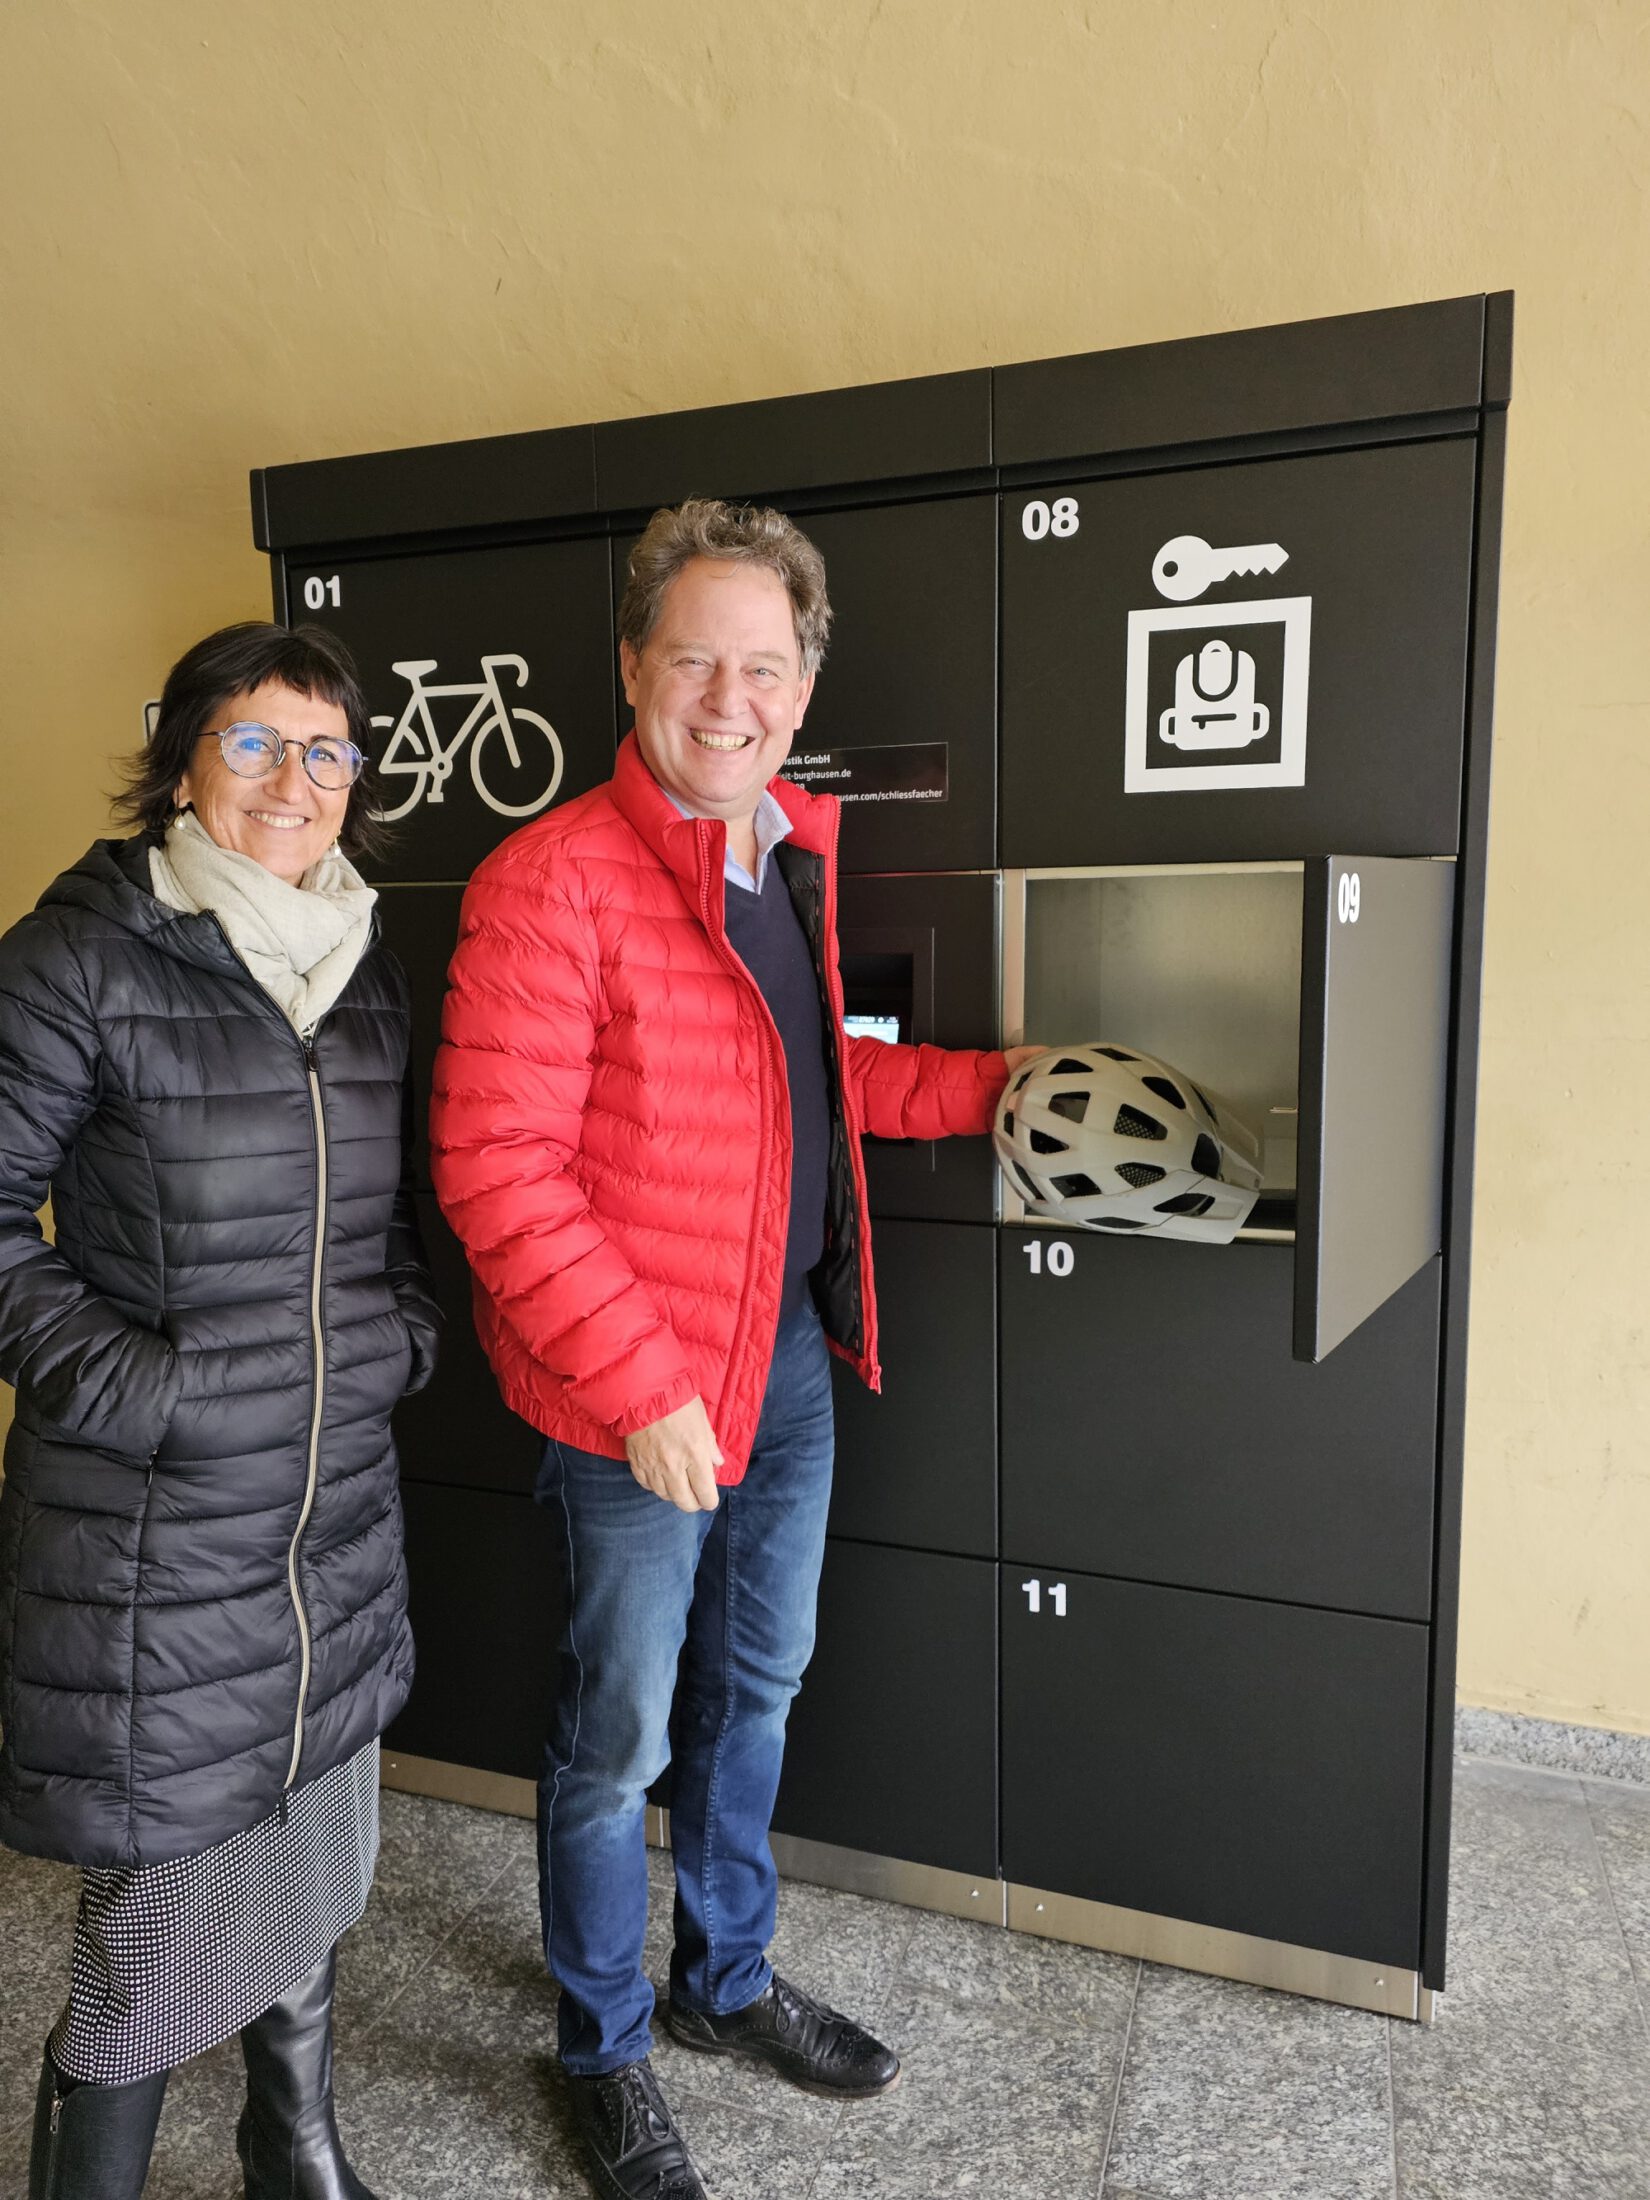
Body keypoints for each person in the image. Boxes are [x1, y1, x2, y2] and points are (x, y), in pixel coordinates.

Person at [430, 500, 1038, 2200]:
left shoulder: (783, 856)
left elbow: (822, 1093)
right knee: (614, 1738)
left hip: (780, 1370)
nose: (727, 694)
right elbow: (496, 1168)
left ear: (802, 680)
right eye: (692, 657)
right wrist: (638, 1388)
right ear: (630, 669)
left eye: (761, 664)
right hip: (636, 1400)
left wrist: (1007, 1083)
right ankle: (601, 2046)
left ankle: (725, 1982)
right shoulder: (550, 880)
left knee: (755, 1691)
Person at [0, 621, 440, 2200]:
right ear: (181, 756)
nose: (290, 781)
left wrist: (398, 1342)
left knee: (312, 1863)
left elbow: (387, 1230)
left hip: (329, 1525)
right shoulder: (80, 957)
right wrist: (143, 1389)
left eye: (324, 750)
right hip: (158, 1536)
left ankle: (292, 2146)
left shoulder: (363, 970)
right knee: (146, 1955)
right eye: (252, 742)